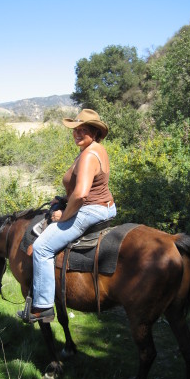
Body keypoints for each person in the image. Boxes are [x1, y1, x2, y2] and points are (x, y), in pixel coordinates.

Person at [17, 109, 116, 323]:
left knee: (42, 248)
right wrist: (64, 198)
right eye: (76, 129)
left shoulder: (89, 155)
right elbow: (84, 188)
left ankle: (42, 306)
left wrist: (63, 216)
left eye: (84, 130)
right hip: (105, 205)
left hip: (90, 210)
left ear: (95, 132)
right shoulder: (96, 149)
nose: (77, 134)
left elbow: (81, 195)